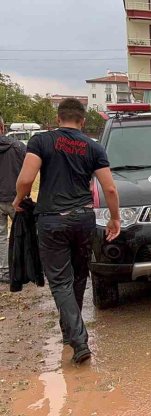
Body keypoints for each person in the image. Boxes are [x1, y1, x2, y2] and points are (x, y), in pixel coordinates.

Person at [13, 98, 121, 363]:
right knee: (78, 276)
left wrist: (18, 200)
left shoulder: (41, 141)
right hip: (83, 218)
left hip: (52, 221)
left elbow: (26, 179)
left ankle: (78, 340)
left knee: (60, 281)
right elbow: (109, 188)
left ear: (58, 118)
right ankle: (69, 332)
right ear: (82, 121)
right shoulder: (93, 147)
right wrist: (114, 219)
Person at [0, 116, 26, 283]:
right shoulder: (18, 147)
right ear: (2, 127)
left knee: (0, 236)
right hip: (16, 198)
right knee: (21, 235)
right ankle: (23, 269)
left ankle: (3, 271)